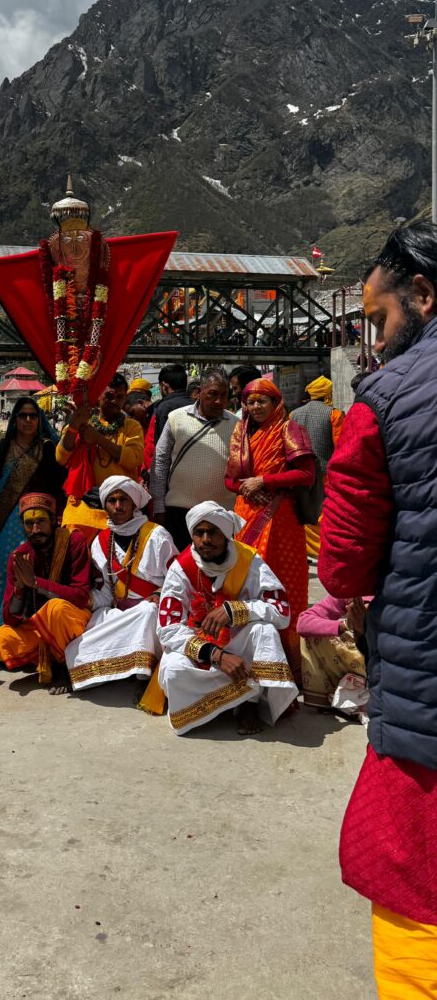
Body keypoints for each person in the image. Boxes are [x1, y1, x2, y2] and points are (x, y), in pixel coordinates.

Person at [318, 222, 437, 995]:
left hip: (426, 683)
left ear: (422, 297)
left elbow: (342, 563)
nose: (374, 338)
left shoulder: (384, 399)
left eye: (378, 318)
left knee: (412, 874)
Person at [157, 501, 297, 736]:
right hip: (199, 644)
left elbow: (281, 612)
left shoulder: (249, 561)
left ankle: (249, 703)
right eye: (198, 533)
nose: (205, 539)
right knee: (173, 671)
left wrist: (235, 610)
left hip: (239, 643)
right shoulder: (181, 568)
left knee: (265, 632)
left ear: (226, 534)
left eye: (212, 532)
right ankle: (226, 700)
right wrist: (215, 655)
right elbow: (168, 629)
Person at [225, 378, 314, 680]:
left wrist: (264, 481)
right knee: (246, 583)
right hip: (245, 514)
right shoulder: (242, 433)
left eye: (262, 400)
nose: (256, 406)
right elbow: (230, 480)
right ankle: (247, 653)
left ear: (276, 403)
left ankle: (289, 664)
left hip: (280, 519)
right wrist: (245, 489)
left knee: (281, 584)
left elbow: (306, 474)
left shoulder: (290, 429)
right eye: (250, 401)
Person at [65, 476, 177, 696]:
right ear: (105, 505)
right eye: (112, 500)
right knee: (91, 627)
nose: (118, 506)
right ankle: (109, 670)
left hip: (152, 610)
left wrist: (158, 592)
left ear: (134, 503)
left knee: (147, 612)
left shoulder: (157, 535)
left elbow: (178, 580)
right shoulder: (101, 540)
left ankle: (142, 675)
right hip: (120, 612)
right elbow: (106, 593)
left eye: (124, 499)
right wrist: (89, 600)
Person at [0, 396, 64, 646]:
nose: (27, 420)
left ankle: (33, 635)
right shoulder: (0, 448)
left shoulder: (47, 449)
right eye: (22, 415)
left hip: (40, 522)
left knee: (37, 572)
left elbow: (59, 486)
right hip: (6, 522)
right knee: (4, 568)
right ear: (14, 419)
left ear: (39, 420)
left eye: (32, 415)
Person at [0, 493, 91, 694]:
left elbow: (81, 596)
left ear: (54, 521)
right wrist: (20, 588)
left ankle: (67, 669)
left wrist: (36, 583)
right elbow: (10, 618)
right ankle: (47, 658)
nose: (35, 529)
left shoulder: (74, 541)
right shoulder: (20, 557)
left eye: (41, 522)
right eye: (29, 524)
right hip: (41, 625)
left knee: (56, 608)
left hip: (75, 620)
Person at [150, 367, 238, 551]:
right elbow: (160, 462)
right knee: (181, 567)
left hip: (221, 513)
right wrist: (159, 506)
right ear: (199, 392)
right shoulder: (176, 418)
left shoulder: (237, 424)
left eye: (224, 395)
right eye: (212, 394)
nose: (219, 401)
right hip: (179, 512)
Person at [56, 374, 144, 544]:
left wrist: (98, 439)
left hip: (119, 508)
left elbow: (134, 459)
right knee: (75, 555)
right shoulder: (84, 422)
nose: (114, 401)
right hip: (83, 507)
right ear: (98, 396)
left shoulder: (132, 427)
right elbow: (60, 457)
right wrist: (74, 425)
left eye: (120, 397)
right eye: (109, 396)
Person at [290, 375, 345, 558]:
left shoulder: (293, 414)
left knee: (303, 508)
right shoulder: (334, 414)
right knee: (324, 512)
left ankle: (306, 549)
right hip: (325, 475)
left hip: (298, 473)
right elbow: (341, 446)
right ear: (327, 393)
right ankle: (324, 548)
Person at [297, 592, 369, 710]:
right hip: (359, 663)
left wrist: (367, 626)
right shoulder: (355, 592)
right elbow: (303, 622)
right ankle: (332, 698)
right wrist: (346, 625)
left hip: (389, 663)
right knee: (311, 633)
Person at [143, 364, 190, 469]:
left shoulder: (163, 408)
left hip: (169, 471)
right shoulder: (195, 405)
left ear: (164, 386)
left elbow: (158, 446)